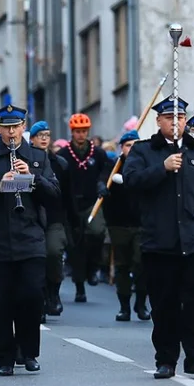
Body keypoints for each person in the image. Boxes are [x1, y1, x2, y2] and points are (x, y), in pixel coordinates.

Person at [122, 94, 194, 380]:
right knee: (164, 304)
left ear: (187, 121)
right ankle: (166, 359)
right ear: (159, 121)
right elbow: (131, 182)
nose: (176, 122)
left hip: (193, 240)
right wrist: (162, 168)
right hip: (160, 241)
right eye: (169, 118)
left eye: (180, 118)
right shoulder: (144, 151)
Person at [0, 105, 61, 376]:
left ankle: (28, 352)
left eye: (15, 127)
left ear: (23, 127)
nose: (10, 132)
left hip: (29, 238)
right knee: (1, 301)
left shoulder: (38, 156)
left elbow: (54, 193)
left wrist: (33, 177)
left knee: (31, 297)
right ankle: (5, 356)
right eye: (5, 128)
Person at [56, 113, 111, 303]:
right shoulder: (63, 155)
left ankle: (93, 267)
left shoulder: (98, 153)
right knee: (75, 245)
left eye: (84, 131)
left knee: (97, 232)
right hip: (71, 206)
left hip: (91, 203)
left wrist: (102, 184)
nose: (81, 135)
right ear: (72, 133)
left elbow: (107, 170)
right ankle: (80, 286)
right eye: (77, 132)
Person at [105, 129, 150, 322]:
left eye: (135, 145)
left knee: (141, 265)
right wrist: (103, 189)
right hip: (119, 224)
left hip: (142, 223)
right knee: (122, 266)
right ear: (121, 148)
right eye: (128, 145)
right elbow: (101, 183)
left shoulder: (146, 166)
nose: (131, 149)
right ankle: (124, 307)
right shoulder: (113, 167)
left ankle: (140, 304)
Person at [28, 121, 70, 318]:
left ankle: (53, 291)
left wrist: (71, 224)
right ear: (32, 139)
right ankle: (40, 299)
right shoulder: (24, 160)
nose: (44, 138)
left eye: (47, 135)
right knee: (36, 260)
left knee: (53, 253)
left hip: (54, 218)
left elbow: (66, 195)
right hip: (32, 217)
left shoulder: (59, 163)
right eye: (40, 135)